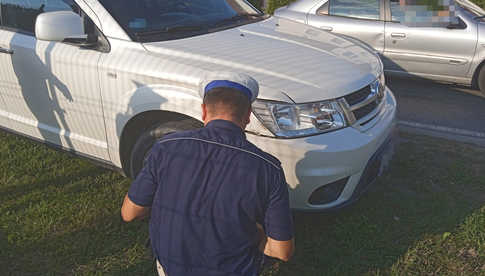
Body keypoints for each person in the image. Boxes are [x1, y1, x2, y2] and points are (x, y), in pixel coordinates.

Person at [121, 72, 295, 276]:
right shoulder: (269, 169)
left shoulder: (166, 148)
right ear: (248, 115)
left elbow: (129, 213)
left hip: (170, 267)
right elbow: (282, 250)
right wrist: (255, 232)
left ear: (203, 111)